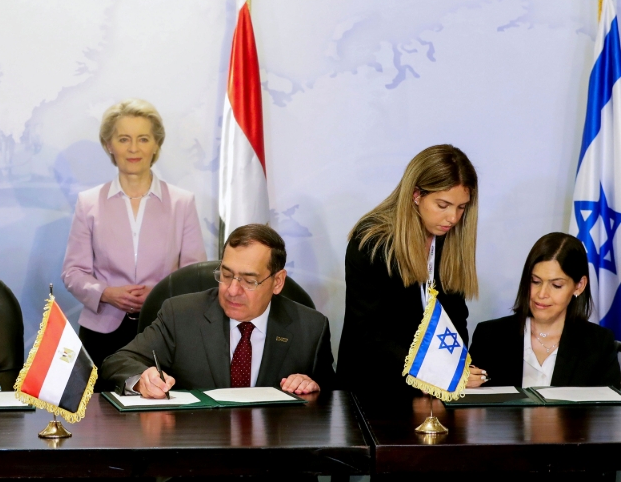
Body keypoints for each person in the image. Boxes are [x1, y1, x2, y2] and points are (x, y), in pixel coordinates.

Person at [101, 224, 335, 398]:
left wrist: (312, 386)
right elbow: (118, 362)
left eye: (248, 281)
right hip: (197, 449)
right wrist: (141, 380)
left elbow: (334, 402)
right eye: (226, 275)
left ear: (277, 282)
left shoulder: (310, 328)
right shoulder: (181, 314)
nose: (232, 290)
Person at [62, 98, 206, 371]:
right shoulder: (88, 202)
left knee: (161, 410)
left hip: (165, 329)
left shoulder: (182, 202)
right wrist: (106, 293)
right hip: (101, 332)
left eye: (143, 139)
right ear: (109, 145)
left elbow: (193, 274)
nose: (133, 148)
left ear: (156, 145)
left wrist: (159, 294)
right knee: (101, 412)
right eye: (124, 139)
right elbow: (73, 272)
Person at [337, 144, 479, 397]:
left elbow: (456, 319)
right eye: (443, 205)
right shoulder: (371, 242)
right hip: (373, 388)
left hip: (431, 388)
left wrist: (456, 369)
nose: (453, 218)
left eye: (461, 207)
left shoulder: (449, 240)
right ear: (416, 195)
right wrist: (432, 372)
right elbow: (369, 333)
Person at [469, 232, 621, 388]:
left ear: (579, 285)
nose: (541, 294)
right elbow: (467, 404)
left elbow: (609, 409)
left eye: (556, 285)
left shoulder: (599, 344)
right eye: (535, 281)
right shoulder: (489, 336)